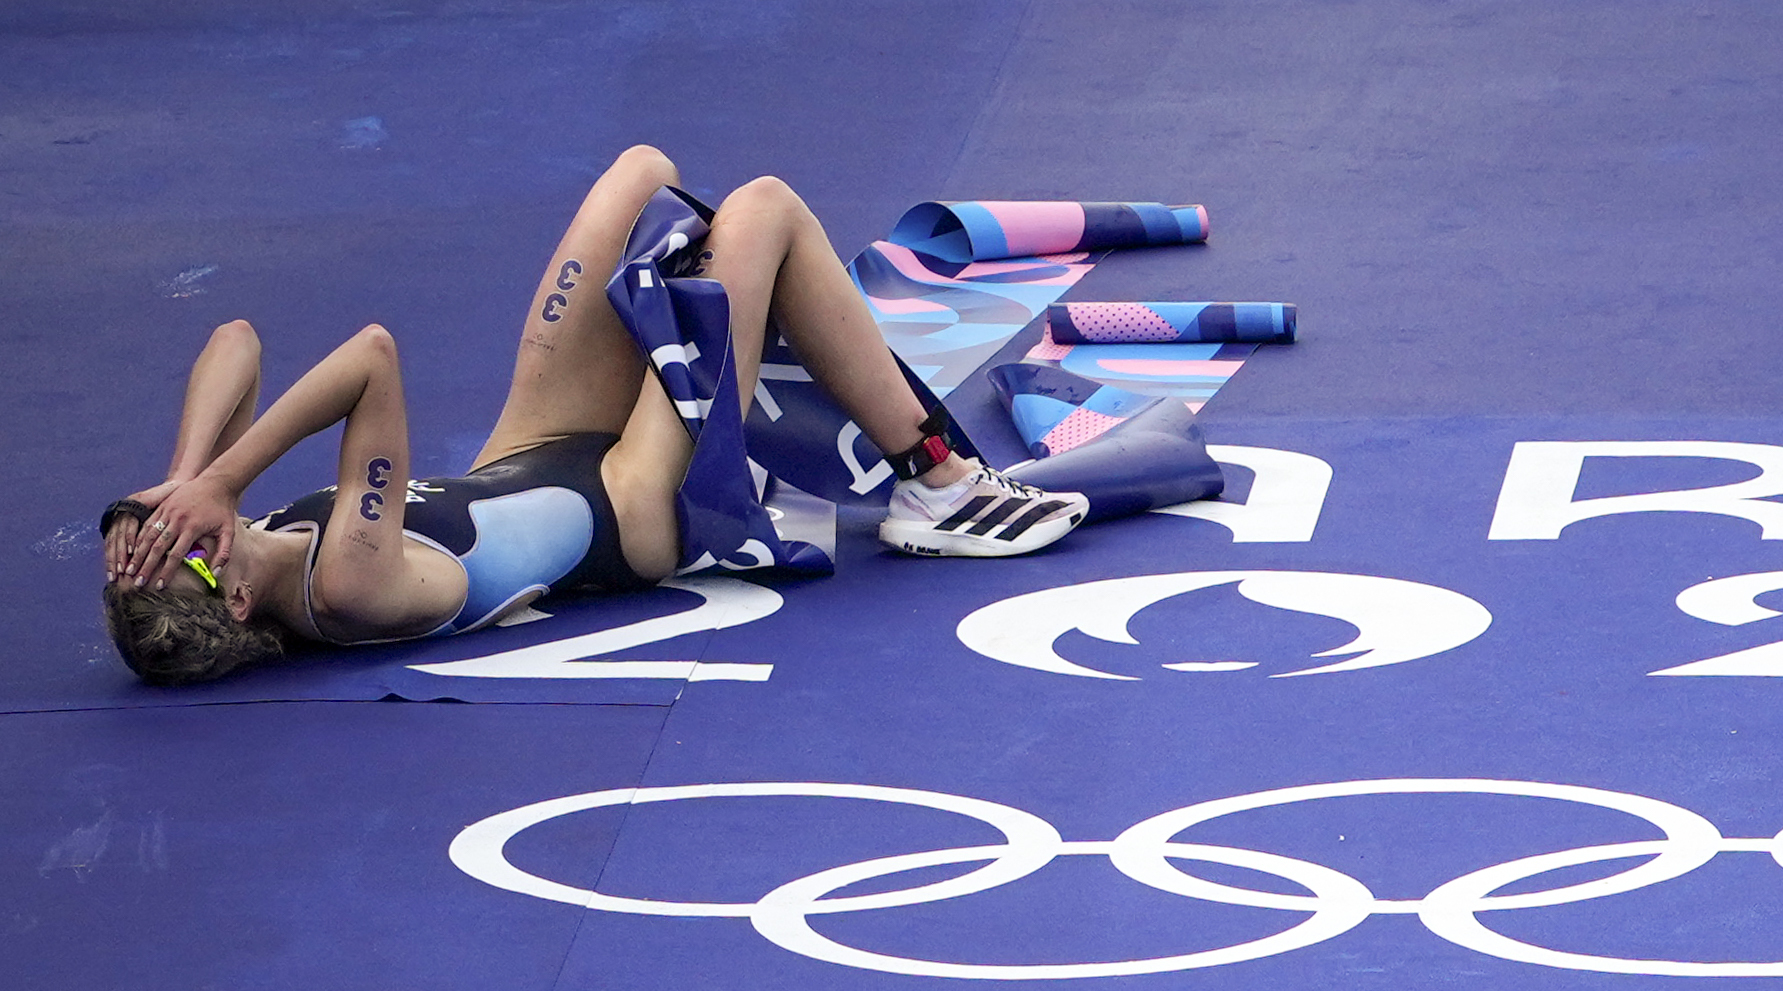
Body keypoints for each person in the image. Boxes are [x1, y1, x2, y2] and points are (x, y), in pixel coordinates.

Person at [101, 145, 1086, 685]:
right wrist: (221, 481)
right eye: (186, 551)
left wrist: (184, 476)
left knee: (639, 177)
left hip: (525, 454)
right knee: (763, 209)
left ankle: (732, 327)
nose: (186, 531)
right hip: (629, 505)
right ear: (235, 605)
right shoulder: (343, 585)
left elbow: (234, 339)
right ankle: (936, 481)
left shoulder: (231, 541)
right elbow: (372, 358)